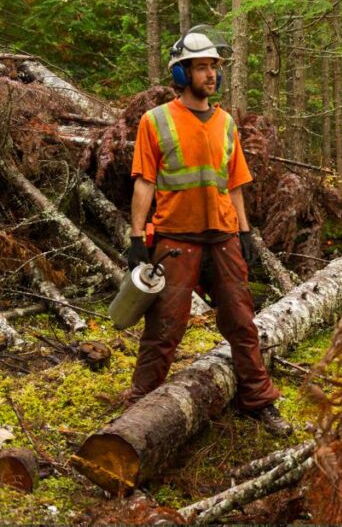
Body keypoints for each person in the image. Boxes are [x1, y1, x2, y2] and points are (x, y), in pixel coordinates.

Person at [126, 25, 292, 436]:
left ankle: (258, 400)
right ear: (181, 74)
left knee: (241, 320)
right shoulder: (156, 121)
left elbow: (233, 182)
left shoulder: (226, 123)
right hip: (176, 238)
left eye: (214, 67)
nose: (211, 75)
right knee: (165, 327)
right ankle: (137, 408)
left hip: (222, 236)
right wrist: (135, 238)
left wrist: (246, 233)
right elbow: (145, 182)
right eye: (201, 68)